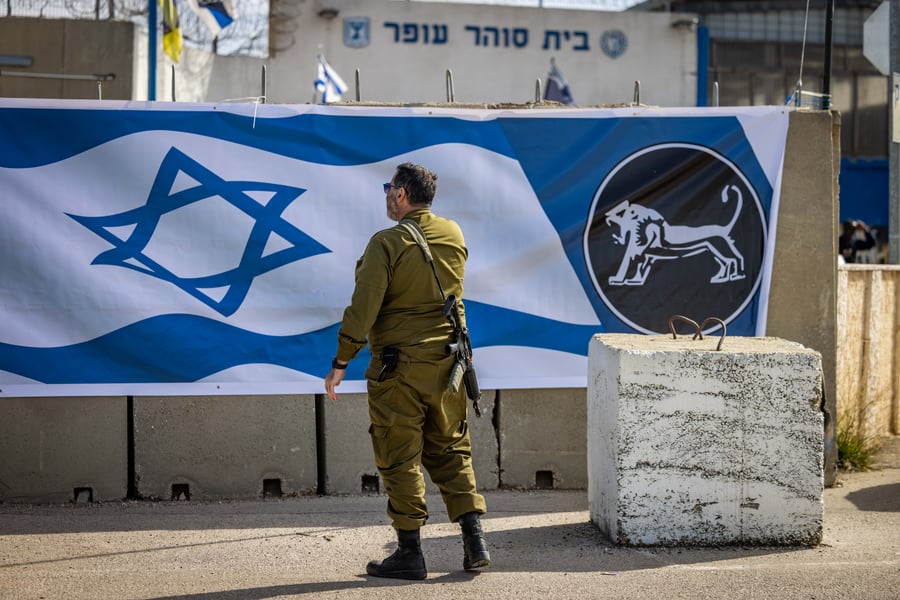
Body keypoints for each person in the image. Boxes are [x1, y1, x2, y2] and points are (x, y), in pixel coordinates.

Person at [324, 162, 489, 580]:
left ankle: (410, 552)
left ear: (400, 194)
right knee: (452, 449)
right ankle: (475, 542)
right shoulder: (453, 234)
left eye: (388, 188)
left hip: (399, 370)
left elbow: (363, 310)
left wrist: (342, 360)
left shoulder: (387, 242)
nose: (386, 195)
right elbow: (457, 298)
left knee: (400, 457)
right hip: (449, 365)